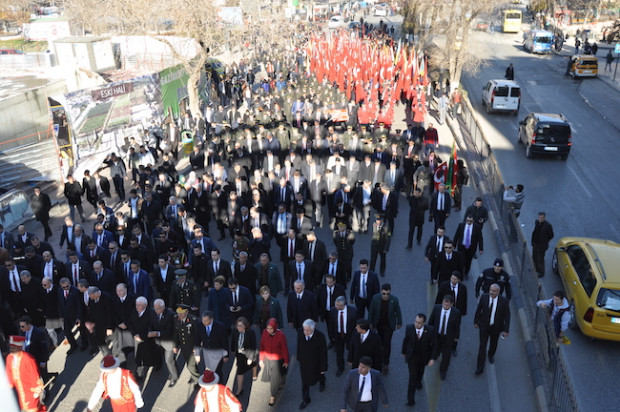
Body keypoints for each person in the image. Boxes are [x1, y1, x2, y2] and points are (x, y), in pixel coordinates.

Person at [401, 313, 437, 406]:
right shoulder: (409, 328)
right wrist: (404, 352)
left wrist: (432, 358)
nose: (417, 324)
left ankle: (419, 381)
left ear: (424, 323)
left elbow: (434, 345)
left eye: (419, 323)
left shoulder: (430, 330)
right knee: (412, 377)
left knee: (420, 371)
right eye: (416, 322)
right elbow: (406, 340)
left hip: (423, 356)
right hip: (412, 356)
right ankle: (410, 400)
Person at [474, 284, 510, 375]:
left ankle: (490, 354)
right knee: (482, 347)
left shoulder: (504, 301)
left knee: (494, 343)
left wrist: (506, 329)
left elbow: (507, 316)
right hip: (484, 326)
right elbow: (479, 310)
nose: (491, 292)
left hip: (496, 327)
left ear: (498, 292)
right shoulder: (484, 297)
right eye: (490, 290)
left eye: (494, 291)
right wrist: (476, 321)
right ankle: (479, 368)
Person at [5, 335, 47, 412]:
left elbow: (34, 373)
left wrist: (37, 388)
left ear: (19, 348)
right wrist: (9, 385)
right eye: (10, 348)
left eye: (13, 348)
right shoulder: (9, 358)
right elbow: (9, 372)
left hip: (29, 388)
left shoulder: (28, 358)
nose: (11, 350)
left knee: (32, 408)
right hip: (19, 388)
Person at [367, 283, 402, 373]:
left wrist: (399, 323)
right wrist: (370, 323)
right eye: (384, 294)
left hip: (388, 326)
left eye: (387, 294)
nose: (386, 296)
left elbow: (398, 312)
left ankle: (385, 363)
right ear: (381, 292)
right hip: (378, 324)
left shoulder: (394, 300)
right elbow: (371, 311)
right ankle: (378, 360)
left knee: (387, 344)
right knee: (379, 343)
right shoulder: (375, 298)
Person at [428, 295, 461, 380]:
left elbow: (457, 326)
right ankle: (435, 355)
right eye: (444, 304)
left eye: (447, 305)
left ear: (451, 304)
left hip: (448, 337)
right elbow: (431, 321)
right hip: (437, 335)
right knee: (436, 348)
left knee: (446, 356)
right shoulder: (437, 308)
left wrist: (456, 337)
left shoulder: (456, 312)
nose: (445, 306)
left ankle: (443, 370)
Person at [297, 319, 328, 409]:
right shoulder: (300, 332)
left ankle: (322, 381)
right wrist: (299, 357)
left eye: (308, 330)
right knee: (305, 380)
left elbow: (323, 354)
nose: (305, 332)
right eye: (304, 330)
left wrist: (323, 368)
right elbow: (299, 344)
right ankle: (305, 399)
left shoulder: (320, 337)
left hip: (316, 362)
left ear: (313, 329)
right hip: (304, 362)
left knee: (319, 375)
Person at [259, 318, 289, 406]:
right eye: (267, 328)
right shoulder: (264, 332)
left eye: (271, 328)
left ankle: (273, 395)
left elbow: (284, 349)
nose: (269, 330)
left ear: (275, 327)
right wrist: (261, 359)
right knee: (273, 376)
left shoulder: (281, 336)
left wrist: (286, 361)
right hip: (268, 359)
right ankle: (282, 380)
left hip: (278, 360)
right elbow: (262, 346)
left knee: (274, 379)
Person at [149, 299, 178, 386]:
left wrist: (157, 333)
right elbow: (150, 324)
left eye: (158, 308)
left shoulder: (170, 315)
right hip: (158, 342)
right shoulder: (153, 312)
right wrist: (150, 331)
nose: (156, 310)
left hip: (169, 342)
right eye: (155, 308)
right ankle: (174, 369)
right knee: (168, 359)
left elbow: (170, 331)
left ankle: (174, 377)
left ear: (163, 307)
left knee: (168, 360)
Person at [194, 311, 229, 378]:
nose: (204, 323)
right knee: (209, 369)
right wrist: (197, 353)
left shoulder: (220, 327)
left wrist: (226, 355)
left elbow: (225, 342)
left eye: (206, 321)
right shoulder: (200, 325)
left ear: (211, 319)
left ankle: (219, 383)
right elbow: (197, 340)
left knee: (217, 370)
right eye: (203, 320)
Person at [329, 296, 358, 376]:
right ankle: (340, 367)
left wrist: (356, 336)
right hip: (338, 335)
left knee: (352, 351)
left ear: (343, 305)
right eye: (336, 304)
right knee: (339, 352)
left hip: (350, 335)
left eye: (338, 305)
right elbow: (331, 324)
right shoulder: (332, 311)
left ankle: (354, 367)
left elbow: (356, 325)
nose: (336, 306)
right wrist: (332, 337)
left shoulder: (353, 311)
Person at [230, 317, 258, 397]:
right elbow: (233, 340)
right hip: (239, 354)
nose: (239, 327)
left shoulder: (251, 332)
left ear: (245, 326)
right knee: (240, 371)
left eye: (241, 326)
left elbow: (253, 346)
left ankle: (254, 372)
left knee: (252, 363)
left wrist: (250, 357)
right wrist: (232, 349)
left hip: (248, 352)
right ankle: (239, 389)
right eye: (237, 325)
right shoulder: (235, 331)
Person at [531, 212, 554, 278]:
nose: (540, 219)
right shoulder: (537, 222)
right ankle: (535, 269)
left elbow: (551, 235)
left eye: (542, 218)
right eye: (539, 217)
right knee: (534, 256)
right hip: (535, 243)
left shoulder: (548, 226)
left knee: (540, 259)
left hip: (541, 246)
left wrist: (545, 241)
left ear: (544, 218)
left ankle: (541, 272)